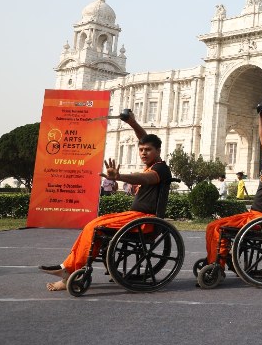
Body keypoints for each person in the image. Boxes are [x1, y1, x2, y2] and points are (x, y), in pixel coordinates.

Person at [39, 111, 172, 291]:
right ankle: (68, 268)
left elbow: (145, 179)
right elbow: (145, 138)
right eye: (141, 150)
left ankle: (70, 270)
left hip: (145, 220)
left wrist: (120, 176)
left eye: (148, 150)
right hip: (134, 217)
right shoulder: (151, 164)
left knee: (94, 228)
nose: (143, 153)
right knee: (93, 225)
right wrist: (132, 123)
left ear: (158, 151)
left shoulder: (161, 169)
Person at [202, 103, 262, 267]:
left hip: (261, 220)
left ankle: (217, 264)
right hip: (252, 215)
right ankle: (216, 259)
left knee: (218, 228)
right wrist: (261, 116)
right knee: (212, 225)